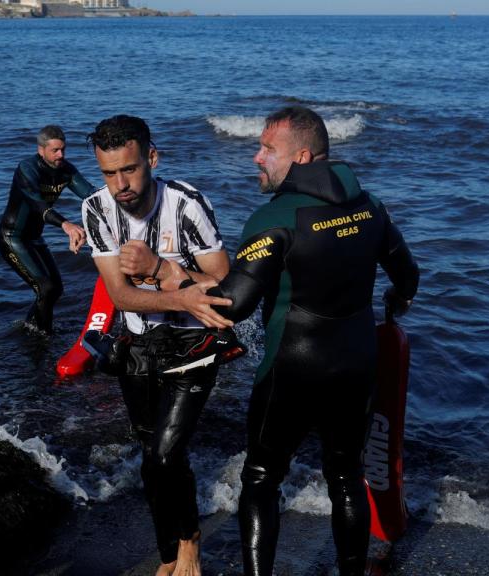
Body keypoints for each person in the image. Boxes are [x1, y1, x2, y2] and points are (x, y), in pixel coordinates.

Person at [180, 106, 420, 575]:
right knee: (347, 478)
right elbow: (407, 277)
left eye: (268, 150)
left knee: (261, 480)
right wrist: (394, 303)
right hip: (355, 366)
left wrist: (171, 276)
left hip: (291, 371)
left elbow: (234, 304)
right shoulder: (370, 206)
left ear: (303, 156)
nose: (256, 158)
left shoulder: (275, 218)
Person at [81, 114, 235, 576]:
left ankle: (189, 542)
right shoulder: (96, 210)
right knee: (152, 460)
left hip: (194, 341)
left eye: (129, 169)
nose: (120, 184)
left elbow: (227, 285)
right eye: (109, 173)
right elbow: (121, 295)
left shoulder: (186, 204)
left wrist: (164, 270)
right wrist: (177, 291)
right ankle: (167, 554)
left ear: (151, 157)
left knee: (166, 453)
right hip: (138, 345)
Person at [0, 125, 94, 334]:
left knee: (55, 289)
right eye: (55, 151)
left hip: (35, 238)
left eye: (63, 150)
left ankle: (31, 327)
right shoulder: (27, 169)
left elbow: (90, 195)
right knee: (46, 288)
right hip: (12, 238)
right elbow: (38, 204)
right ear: (41, 150)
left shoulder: (66, 170)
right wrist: (66, 225)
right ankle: (44, 338)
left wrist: (121, 200)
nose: (61, 155)